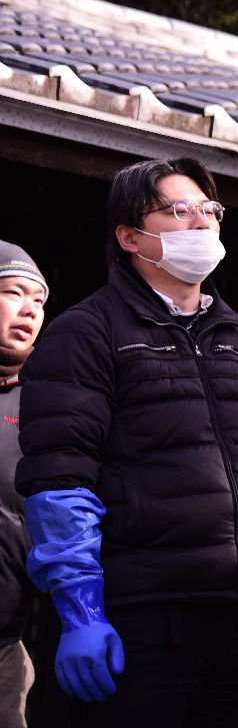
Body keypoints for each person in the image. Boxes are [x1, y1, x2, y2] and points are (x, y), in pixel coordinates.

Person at [14, 158, 238, 727]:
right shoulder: (88, 331)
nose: (201, 224)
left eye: (210, 211)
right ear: (130, 236)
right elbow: (60, 476)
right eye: (180, 210)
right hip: (142, 619)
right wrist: (82, 612)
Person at [0, 243, 48, 727]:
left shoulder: (47, 404)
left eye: (39, 300)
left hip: (5, 645)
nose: (30, 308)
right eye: (14, 292)